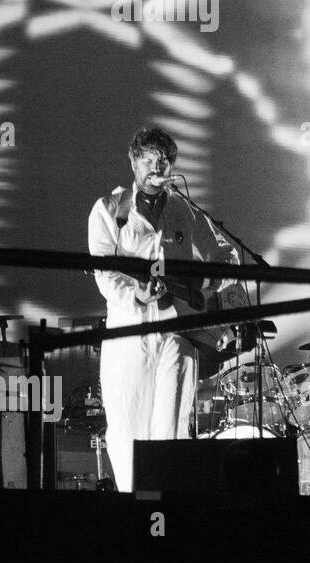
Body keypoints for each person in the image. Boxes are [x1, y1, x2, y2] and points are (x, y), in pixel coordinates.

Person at [87, 127, 239, 492]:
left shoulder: (184, 208)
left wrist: (206, 285)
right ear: (134, 161)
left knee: (171, 429)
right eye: (150, 159)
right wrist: (137, 295)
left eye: (165, 160)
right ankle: (133, 510)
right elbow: (106, 276)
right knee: (127, 429)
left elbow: (227, 256)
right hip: (129, 334)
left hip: (177, 334)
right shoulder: (110, 210)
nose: (158, 166)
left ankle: (167, 512)